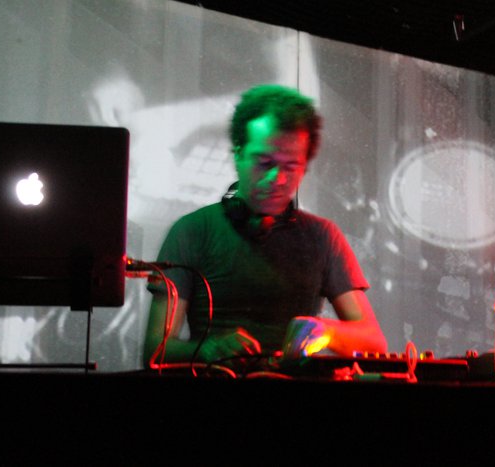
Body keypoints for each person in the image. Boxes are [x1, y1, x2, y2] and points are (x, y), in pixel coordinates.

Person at [143, 84, 387, 371]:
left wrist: (327, 332)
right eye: (264, 162)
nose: (277, 179)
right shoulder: (191, 231)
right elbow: (154, 351)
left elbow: (374, 342)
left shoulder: (323, 236)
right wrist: (207, 350)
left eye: (291, 166)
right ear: (238, 154)